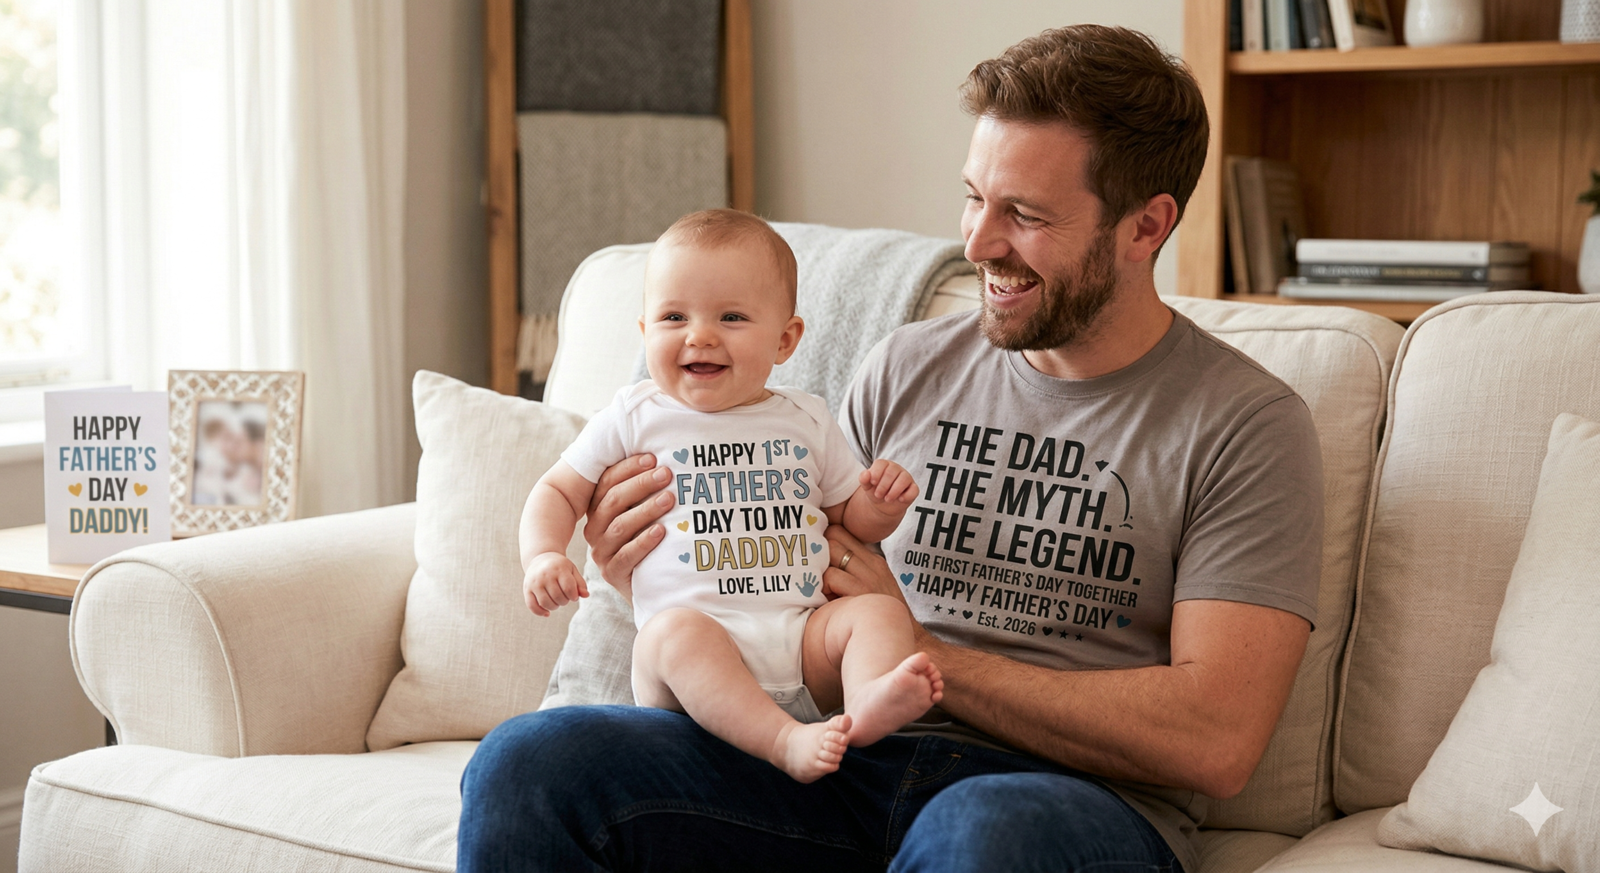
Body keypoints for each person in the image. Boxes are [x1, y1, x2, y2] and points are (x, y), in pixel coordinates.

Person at [458, 24, 1322, 873]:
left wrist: (930, 658)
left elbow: (1217, 739)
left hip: (1061, 800)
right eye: (975, 197)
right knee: (531, 764)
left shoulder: (1244, 424)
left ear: (1145, 227)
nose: (978, 242)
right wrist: (654, 564)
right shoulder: (908, 366)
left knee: (984, 830)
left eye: (1022, 214)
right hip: (839, 763)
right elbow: (794, 594)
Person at [519, 208, 944, 784]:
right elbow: (558, 490)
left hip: (799, 643)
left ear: (786, 340)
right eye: (674, 316)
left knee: (877, 612)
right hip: (692, 669)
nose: (700, 334)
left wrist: (882, 505)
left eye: (732, 316)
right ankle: (784, 741)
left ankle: (867, 703)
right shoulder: (634, 415)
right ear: (645, 332)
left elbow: (852, 521)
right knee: (673, 633)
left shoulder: (806, 419)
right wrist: (544, 554)